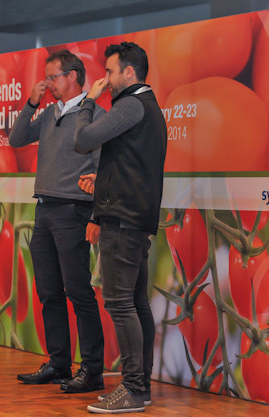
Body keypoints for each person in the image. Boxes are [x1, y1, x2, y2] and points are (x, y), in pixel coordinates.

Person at [74, 42, 167, 413]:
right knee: (136, 303)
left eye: (110, 72)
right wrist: (104, 184)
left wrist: (87, 101)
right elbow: (131, 165)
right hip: (132, 217)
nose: (105, 80)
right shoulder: (146, 106)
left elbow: (83, 140)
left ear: (129, 72)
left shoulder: (131, 104)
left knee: (120, 303)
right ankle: (140, 386)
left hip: (125, 221)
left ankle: (132, 389)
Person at [10, 50, 106, 393]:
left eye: (53, 77)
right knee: (49, 291)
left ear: (73, 76)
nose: (47, 83)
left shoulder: (94, 115)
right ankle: (59, 363)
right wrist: (31, 104)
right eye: (47, 77)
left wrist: (96, 216)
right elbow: (16, 139)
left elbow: (104, 168)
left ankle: (92, 370)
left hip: (74, 210)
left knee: (78, 291)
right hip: (45, 209)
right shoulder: (50, 113)